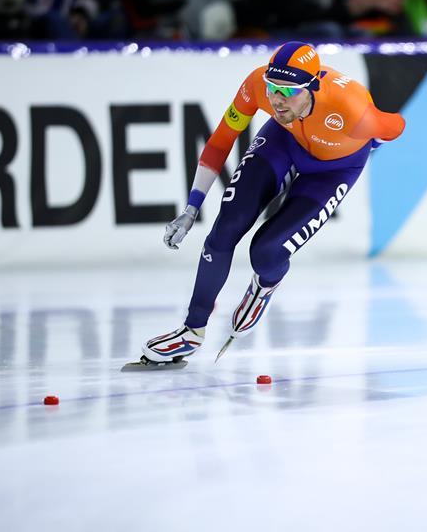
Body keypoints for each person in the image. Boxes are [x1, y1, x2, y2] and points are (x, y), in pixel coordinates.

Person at [129, 41, 405, 368]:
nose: (277, 98)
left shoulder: (351, 107)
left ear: (312, 88)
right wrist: (192, 208)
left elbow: (397, 125)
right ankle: (192, 330)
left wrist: (371, 139)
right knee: (225, 229)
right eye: (274, 88)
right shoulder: (257, 84)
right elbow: (220, 141)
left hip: (334, 170)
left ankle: (264, 286)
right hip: (283, 143)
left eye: (288, 92)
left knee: (266, 252)